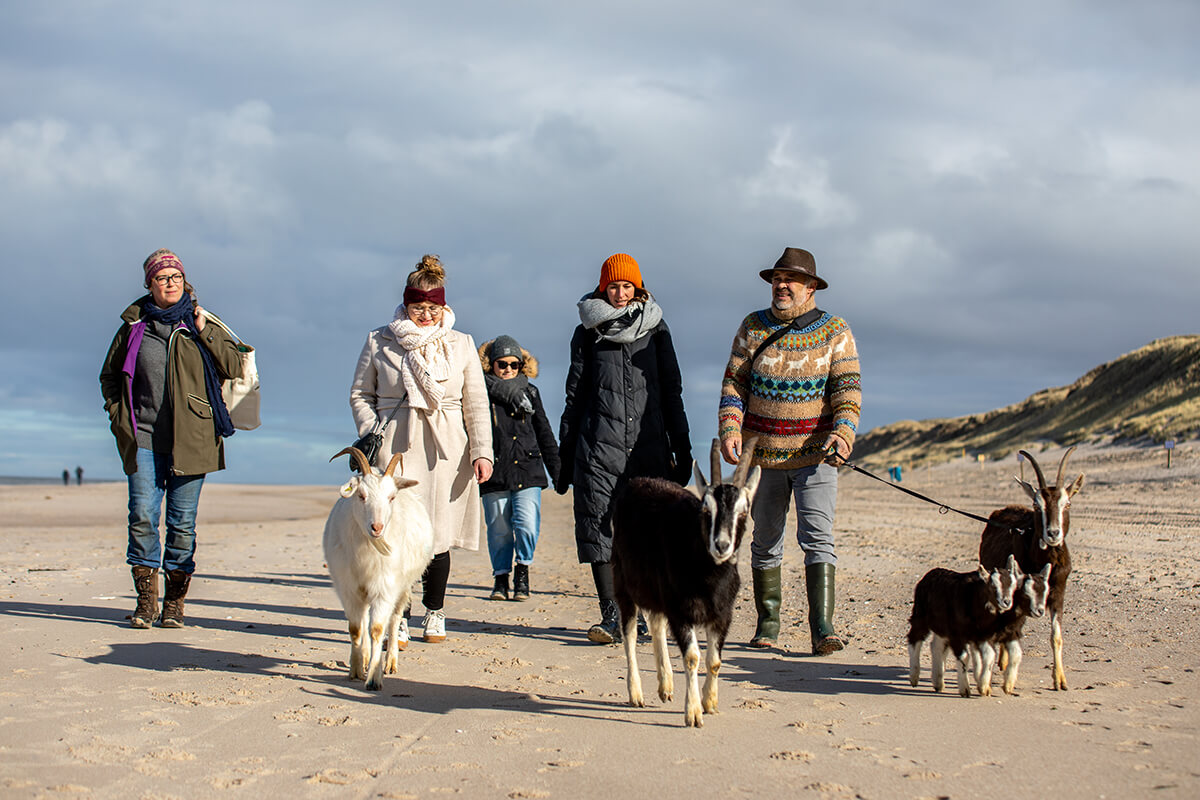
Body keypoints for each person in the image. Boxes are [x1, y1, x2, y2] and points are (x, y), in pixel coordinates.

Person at [718, 246, 861, 655]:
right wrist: (730, 427)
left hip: (817, 455)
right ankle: (768, 626)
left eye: (790, 279)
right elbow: (734, 384)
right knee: (765, 539)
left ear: (811, 287)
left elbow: (847, 391)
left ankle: (823, 628)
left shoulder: (836, 331)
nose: (781, 285)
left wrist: (844, 433)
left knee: (818, 537)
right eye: (777, 279)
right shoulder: (752, 326)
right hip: (762, 457)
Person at [99, 248, 247, 629]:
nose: (169, 283)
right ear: (149, 284)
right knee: (143, 516)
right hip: (144, 436)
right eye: (161, 278)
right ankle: (146, 602)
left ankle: (175, 604)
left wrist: (204, 330)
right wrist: (120, 417)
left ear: (185, 282)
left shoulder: (201, 323)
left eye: (175, 277)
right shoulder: (134, 327)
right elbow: (110, 376)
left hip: (194, 437)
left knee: (182, 524)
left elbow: (234, 365)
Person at [350, 254, 493, 645]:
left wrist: (482, 452)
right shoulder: (380, 340)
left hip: (447, 451)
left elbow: (475, 403)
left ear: (443, 306)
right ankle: (399, 614)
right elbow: (361, 393)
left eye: (432, 308)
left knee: (437, 536)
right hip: (394, 449)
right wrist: (372, 429)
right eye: (418, 308)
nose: (425, 316)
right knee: (394, 535)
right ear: (405, 304)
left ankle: (435, 611)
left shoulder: (460, 343)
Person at [557, 253, 692, 644]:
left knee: (649, 533)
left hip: (648, 447)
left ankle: (647, 613)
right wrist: (566, 458)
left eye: (627, 286)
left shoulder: (658, 330)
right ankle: (612, 615)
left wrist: (681, 449)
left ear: (638, 289)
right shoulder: (587, 332)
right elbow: (575, 395)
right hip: (598, 446)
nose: (619, 293)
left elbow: (672, 392)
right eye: (613, 286)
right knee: (597, 527)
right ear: (603, 288)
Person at [477, 335, 560, 601]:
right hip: (494, 472)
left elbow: (545, 432)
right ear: (491, 364)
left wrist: (558, 472)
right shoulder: (479, 393)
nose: (508, 369)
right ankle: (501, 579)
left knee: (526, 525)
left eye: (514, 364)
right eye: (502, 364)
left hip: (528, 468)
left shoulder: (531, 393)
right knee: (499, 529)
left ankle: (522, 571)